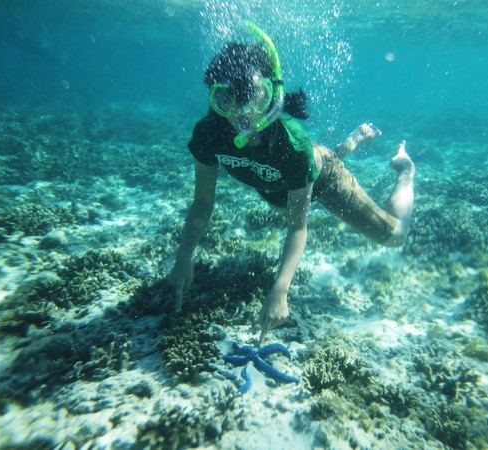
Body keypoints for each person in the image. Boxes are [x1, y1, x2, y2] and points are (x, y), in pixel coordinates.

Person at [168, 22, 415, 344]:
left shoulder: (293, 145)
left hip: (321, 178)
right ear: (214, 98)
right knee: (282, 200)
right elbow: (202, 203)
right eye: (227, 98)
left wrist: (280, 289)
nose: (244, 114)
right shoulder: (208, 134)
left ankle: (405, 170)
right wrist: (183, 257)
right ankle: (346, 146)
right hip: (278, 187)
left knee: (393, 236)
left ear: (273, 93)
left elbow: (298, 227)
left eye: (256, 97)